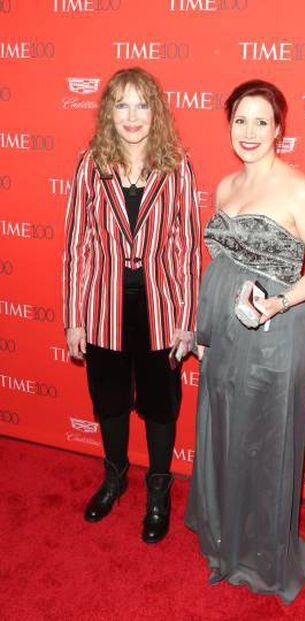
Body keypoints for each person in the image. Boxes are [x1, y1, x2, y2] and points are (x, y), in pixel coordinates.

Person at [185, 79, 305, 602]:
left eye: (261, 121)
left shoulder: (297, 188)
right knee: (227, 430)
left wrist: (280, 302)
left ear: (279, 129)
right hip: (224, 333)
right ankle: (227, 537)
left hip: (275, 332)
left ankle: (262, 555)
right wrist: (204, 331)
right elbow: (221, 265)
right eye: (239, 121)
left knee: (266, 439)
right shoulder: (226, 187)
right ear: (228, 126)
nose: (249, 132)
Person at [63, 67, 200, 543]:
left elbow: (186, 248)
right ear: (108, 112)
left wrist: (185, 321)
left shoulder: (177, 163)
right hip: (103, 305)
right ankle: (115, 477)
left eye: (142, 104)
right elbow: (78, 244)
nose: (132, 116)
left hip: (160, 310)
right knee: (111, 400)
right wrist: (74, 316)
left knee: (161, 406)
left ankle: (158, 490)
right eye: (121, 105)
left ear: (155, 110)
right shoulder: (90, 163)